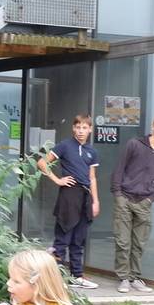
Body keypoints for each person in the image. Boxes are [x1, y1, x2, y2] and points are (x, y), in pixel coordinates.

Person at [110, 113, 154, 293]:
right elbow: (119, 168)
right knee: (123, 241)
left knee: (139, 243)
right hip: (125, 198)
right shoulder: (134, 144)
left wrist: (151, 198)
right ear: (153, 126)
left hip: (144, 202)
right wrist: (118, 194)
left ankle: (135, 278)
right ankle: (123, 278)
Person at [37, 115, 100, 290]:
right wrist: (57, 180)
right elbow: (41, 162)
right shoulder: (65, 145)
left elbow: (92, 178)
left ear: (90, 129)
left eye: (84, 128)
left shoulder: (92, 152)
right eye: (78, 127)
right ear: (73, 128)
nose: (81, 131)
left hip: (86, 196)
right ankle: (55, 279)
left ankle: (77, 276)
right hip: (69, 194)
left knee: (79, 238)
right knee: (63, 236)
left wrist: (96, 201)